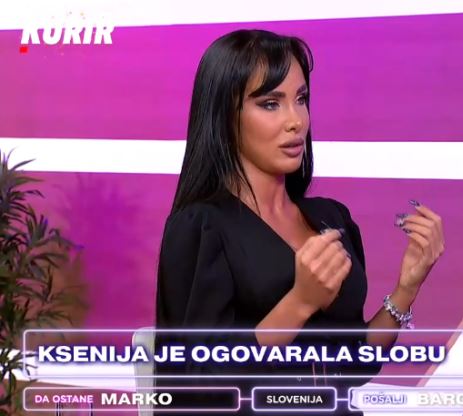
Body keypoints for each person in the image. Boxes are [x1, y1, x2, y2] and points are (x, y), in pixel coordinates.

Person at [155, 29, 445, 415]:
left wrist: (407, 288)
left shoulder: (332, 218)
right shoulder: (201, 227)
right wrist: (299, 302)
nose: (296, 121)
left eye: (301, 99)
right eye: (270, 103)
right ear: (225, 115)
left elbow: (352, 367)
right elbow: (196, 387)